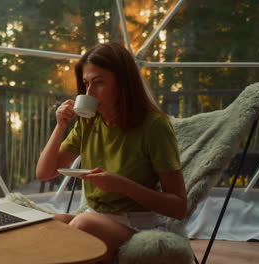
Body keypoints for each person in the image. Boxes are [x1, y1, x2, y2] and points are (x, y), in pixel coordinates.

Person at [36, 43, 187, 263]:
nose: (89, 93)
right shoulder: (88, 122)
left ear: (123, 84)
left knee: (82, 225)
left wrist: (122, 185)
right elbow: (44, 173)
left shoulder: (154, 126)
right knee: (50, 223)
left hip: (139, 222)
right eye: (86, 84)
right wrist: (60, 126)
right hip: (97, 216)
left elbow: (178, 207)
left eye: (98, 83)